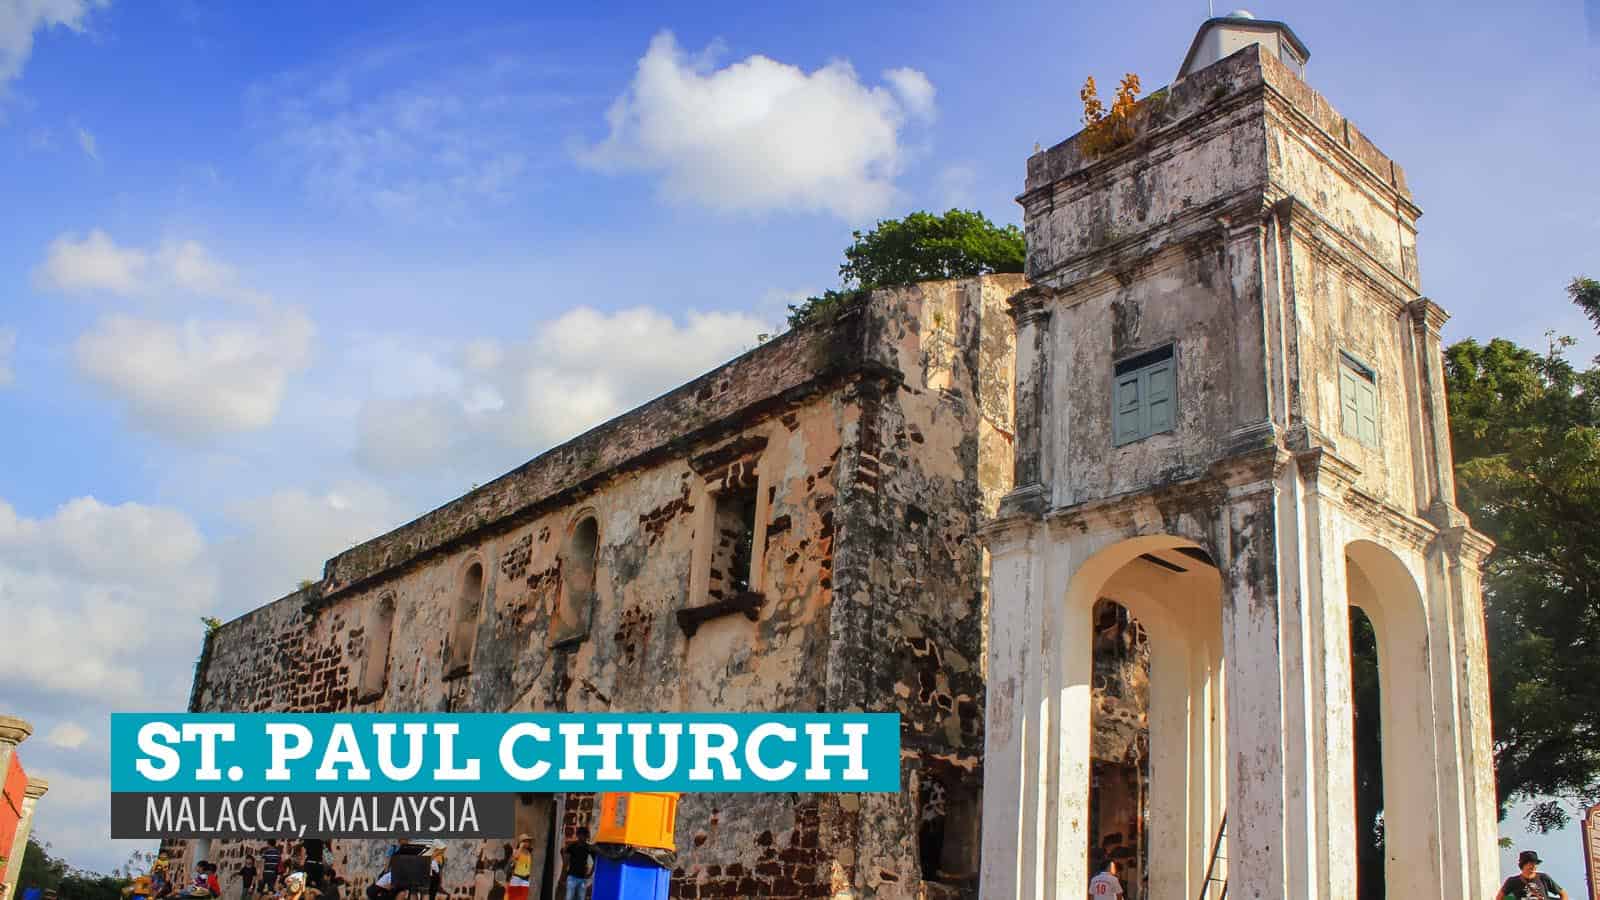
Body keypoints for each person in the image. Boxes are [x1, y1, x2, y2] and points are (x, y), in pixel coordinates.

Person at [1495, 850, 1568, 900]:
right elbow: (1499, 898)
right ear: (1523, 865)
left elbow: (1563, 894)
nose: (1533, 866)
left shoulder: (1543, 877)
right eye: (1530, 864)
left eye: (1535, 864)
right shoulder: (1512, 881)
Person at [561, 828, 594, 900]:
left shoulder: (589, 847)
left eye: (585, 836)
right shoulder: (572, 846)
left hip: (583, 878)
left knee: (580, 898)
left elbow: (595, 861)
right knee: (569, 897)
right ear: (578, 835)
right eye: (582, 835)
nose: (584, 838)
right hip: (572, 876)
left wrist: (590, 873)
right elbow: (565, 860)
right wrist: (564, 874)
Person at [505, 835, 534, 900]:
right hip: (517, 877)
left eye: (529, 841)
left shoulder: (529, 853)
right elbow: (515, 857)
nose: (528, 843)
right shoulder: (516, 851)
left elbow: (528, 866)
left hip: (525, 878)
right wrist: (520, 847)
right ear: (522, 842)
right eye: (526, 841)